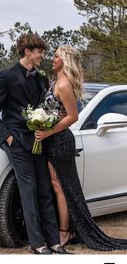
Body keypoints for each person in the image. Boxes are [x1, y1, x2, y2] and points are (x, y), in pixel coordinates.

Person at [35, 45, 127, 251]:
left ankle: (64, 231)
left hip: (60, 141)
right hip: (49, 139)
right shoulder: (54, 81)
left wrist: (48, 131)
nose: (53, 58)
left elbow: (73, 117)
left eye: (56, 56)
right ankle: (62, 228)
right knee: (55, 184)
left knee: (62, 187)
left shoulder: (65, 84)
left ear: (65, 61)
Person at [0, 33, 70, 254]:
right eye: (40, 51)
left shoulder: (42, 79)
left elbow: (48, 108)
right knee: (28, 190)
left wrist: (50, 124)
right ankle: (37, 243)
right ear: (27, 52)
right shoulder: (5, 77)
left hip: (39, 141)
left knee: (44, 190)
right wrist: (7, 137)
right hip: (17, 143)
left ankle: (54, 242)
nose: (43, 55)